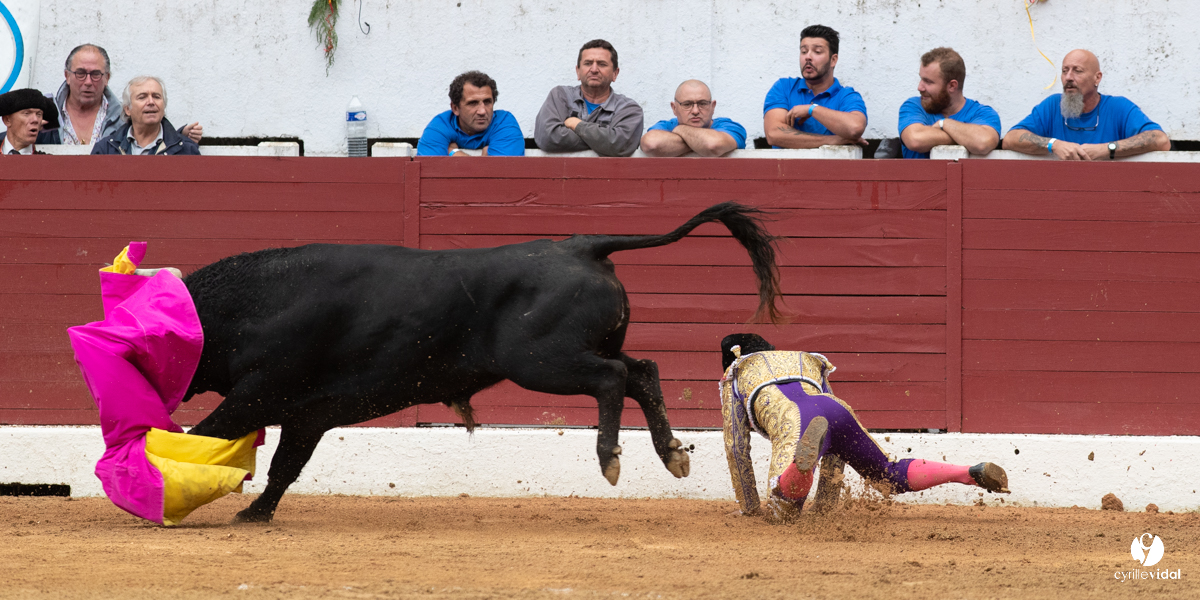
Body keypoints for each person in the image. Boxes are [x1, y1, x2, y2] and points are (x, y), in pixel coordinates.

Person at [720, 333, 1009, 522]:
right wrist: (824, 506)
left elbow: (736, 446)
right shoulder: (805, 360)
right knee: (887, 473)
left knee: (783, 510)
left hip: (792, 417)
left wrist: (749, 507)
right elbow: (832, 437)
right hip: (835, 408)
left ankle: (800, 469)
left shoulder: (736, 375)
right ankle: (968, 473)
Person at [1002, 49, 1170, 160]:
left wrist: (1107, 149)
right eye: (1064, 70)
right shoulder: (1052, 105)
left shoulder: (1118, 107)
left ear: (1097, 78)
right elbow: (1010, 139)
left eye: (1077, 70)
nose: (1068, 77)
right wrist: (1054, 144)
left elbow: (1160, 140)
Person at [38, 44, 202, 148]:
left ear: (107, 78)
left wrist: (181, 137)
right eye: (80, 73)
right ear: (67, 75)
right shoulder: (45, 113)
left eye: (96, 74)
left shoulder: (125, 117)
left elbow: (151, 138)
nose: (88, 82)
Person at [763, 25, 867, 149]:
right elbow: (773, 134)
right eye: (804, 51)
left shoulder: (846, 96)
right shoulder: (784, 88)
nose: (808, 57)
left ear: (833, 60)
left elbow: (855, 128)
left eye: (817, 52)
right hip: (785, 168)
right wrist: (833, 140)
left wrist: (812, 109)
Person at [534, 39, 643, 157]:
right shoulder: (560, 96)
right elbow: (547, 138)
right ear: (578, 72)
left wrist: (577, 125)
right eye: (588, 63)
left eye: (602, 64)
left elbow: (621, 144)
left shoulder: (629, 109)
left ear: (615, 73)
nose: (594, 70)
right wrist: (604, 139)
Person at [899, 48, 1000, 158]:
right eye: (921, 79)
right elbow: (915, 140)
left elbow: (983, 142)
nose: (920, 87)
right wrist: (966, 138)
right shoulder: (914, 106)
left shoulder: (983, 113)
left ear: (952, 86)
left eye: (928, 81)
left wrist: (944, 124)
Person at [416, 71, 524, 156]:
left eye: (487, 102)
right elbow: (432, 175)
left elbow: (500, 175)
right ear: (455, 108)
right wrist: (485, 161)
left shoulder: (504, 122)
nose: (482, 111)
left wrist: (454, 153)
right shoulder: (440, 126)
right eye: (473, 103)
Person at [92, 76, 201, 155]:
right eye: (142, 97)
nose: (151, 102)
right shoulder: (106, 149)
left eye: (156, 97)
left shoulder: (186, 150)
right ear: (128, 109)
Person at [639, 80, 746, 157]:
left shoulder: (730, 127)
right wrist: (699, 144)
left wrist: (680, 129)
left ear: (712, 107)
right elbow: (651, 143)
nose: (695, 111)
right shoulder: (666, 126)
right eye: (687, 104)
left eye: (702, 103)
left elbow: (713, 145)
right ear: (674, 108)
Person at [1, 88, 59, 155]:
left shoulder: (48, 162)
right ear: (7, 120)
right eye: (27, 113)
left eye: (39, 114)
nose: (35, 119)